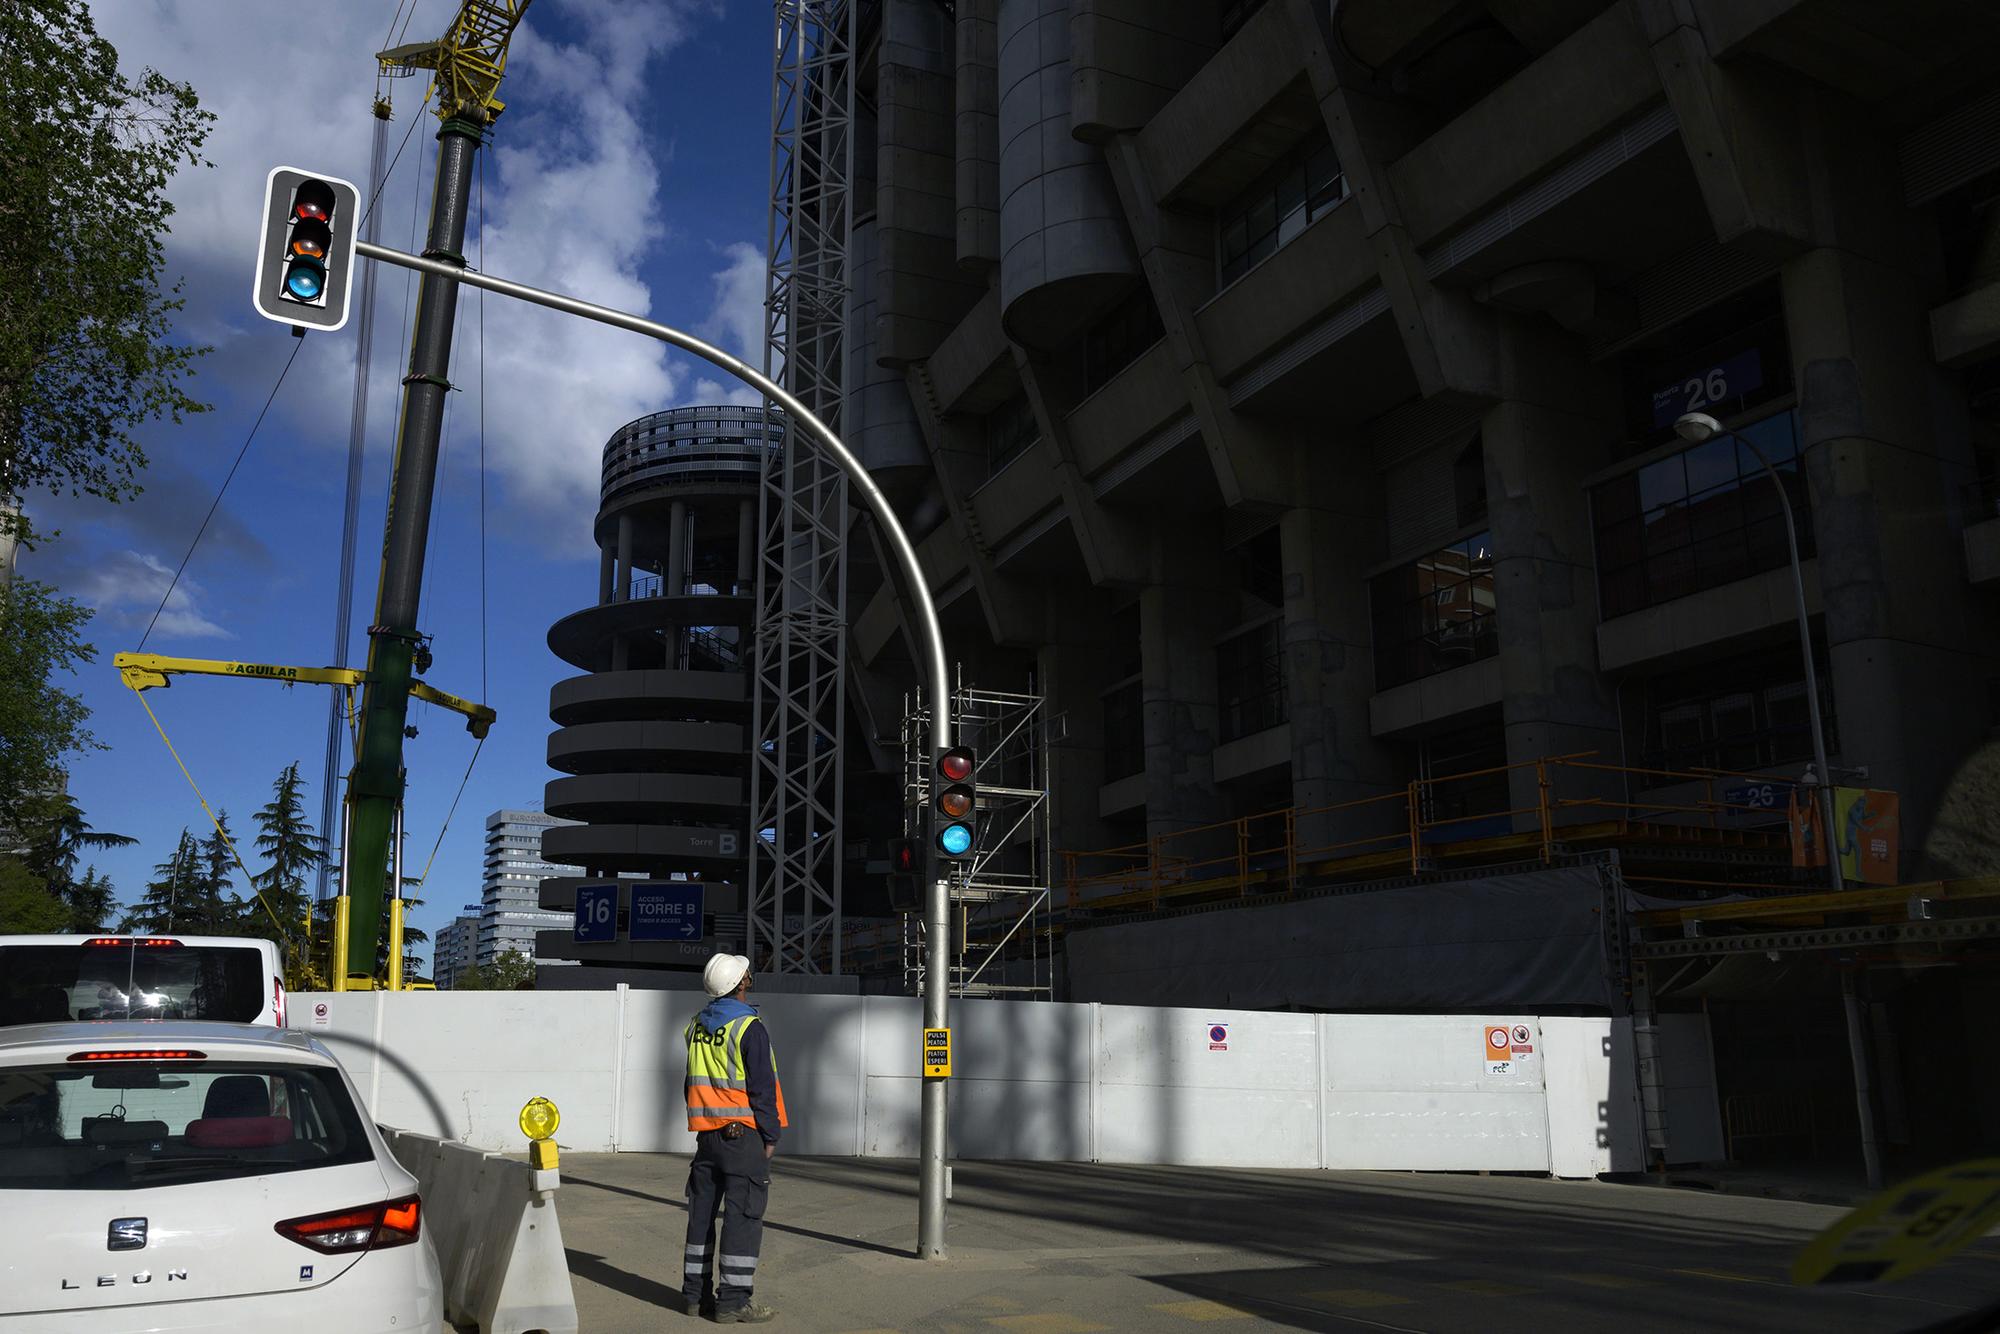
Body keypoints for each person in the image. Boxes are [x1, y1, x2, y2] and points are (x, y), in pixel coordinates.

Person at [681, 952, 786, 1323]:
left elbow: (690, 1082)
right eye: (746, 974)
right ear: (742, 984)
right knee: (743, 1217)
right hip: (742, 1138)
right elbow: (762, 1089)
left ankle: (695, 1297)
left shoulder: (696, 1026)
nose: (749, 977)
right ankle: (733, 1301)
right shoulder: (749, 1027)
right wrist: (769, 1135)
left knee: (700, 1217)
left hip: (706, 1138)